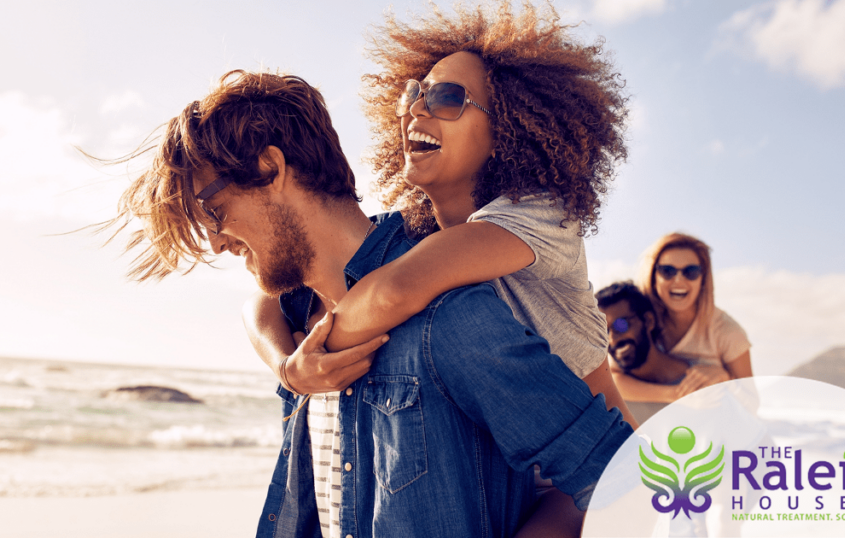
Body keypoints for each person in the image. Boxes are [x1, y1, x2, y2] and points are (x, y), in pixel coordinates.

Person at [108, 68, 633, 537]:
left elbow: (616, 472)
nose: (216, 241)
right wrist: (290, 371)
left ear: (271, 168)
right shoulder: (299, 323)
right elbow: (258, 310)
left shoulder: (447, 313)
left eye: (215, 211)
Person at [243, 4, 634, 535]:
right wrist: (285, 363)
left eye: (447, 97)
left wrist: (315, 362)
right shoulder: (421, 237)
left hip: (578, 485)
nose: (415, 111)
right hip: (504, 472)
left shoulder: (542, 217)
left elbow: (392, 290)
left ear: (510, 131)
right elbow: (269, 299)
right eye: (413, 94)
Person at [611, 233, 753, 404]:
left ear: (703, 279)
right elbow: (612, 379)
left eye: (691, 272)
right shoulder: (640, 320)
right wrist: (674, 395)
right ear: (653, 276)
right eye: (667, 271)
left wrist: (725, 378)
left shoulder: (727, 332)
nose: (678, 280)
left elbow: (751, 403)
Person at [595, 281, 692, 424]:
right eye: (603, 332)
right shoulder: (608, 402)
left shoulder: (702, 380)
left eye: (621, 325)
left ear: (648, 321)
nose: (613, 340)